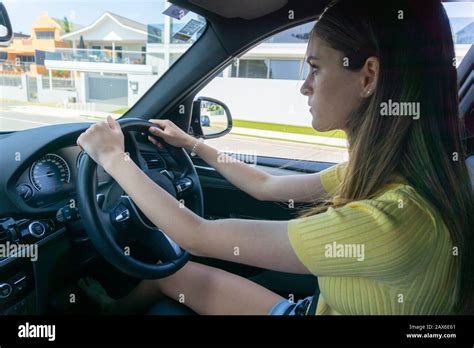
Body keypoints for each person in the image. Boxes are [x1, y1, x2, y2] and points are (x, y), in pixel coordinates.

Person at [76, 0, 474, 315]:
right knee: (168, 278)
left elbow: (195, 235)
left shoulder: (389, 221)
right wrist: (193, 143)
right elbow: (265, 185)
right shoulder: (390, 176)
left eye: (315, 68)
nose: (305, 86)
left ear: (368, 77)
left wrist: (113, 158)